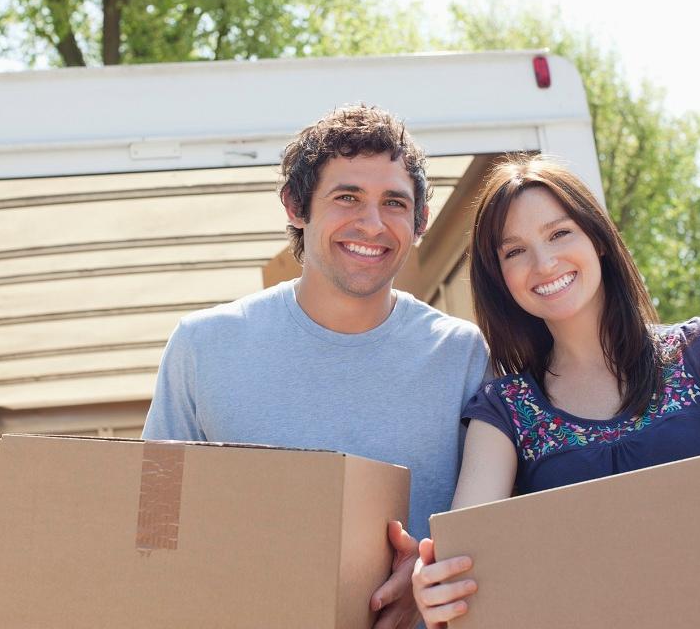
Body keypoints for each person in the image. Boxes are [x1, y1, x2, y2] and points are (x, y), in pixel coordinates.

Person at [411, 155, 700, 628]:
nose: (544, 263)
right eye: (514, 251)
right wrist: (438, 584)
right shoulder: (503, 411)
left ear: (598, 240)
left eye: (559, 234)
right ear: (500, 278)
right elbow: (467, 548)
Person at [142, 105, 488, 629]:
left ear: (419, 224)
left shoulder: (462, 355)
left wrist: (427, 568)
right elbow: (154, 525)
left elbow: (498, 526)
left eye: (394, 203)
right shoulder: (203, 347)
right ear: (296, 205)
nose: (372, 224)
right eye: (347, 197)